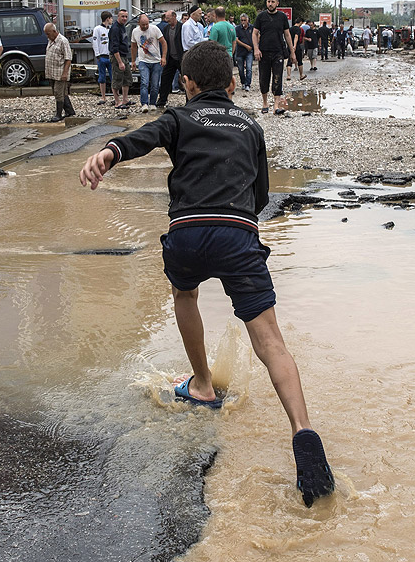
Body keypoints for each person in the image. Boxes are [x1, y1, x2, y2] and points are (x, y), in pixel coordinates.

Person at [78, 41, 336, 508]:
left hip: (189, 234)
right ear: (234, 84)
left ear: (187, 83)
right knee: (271, 340)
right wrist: (240, 223)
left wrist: (110, 153)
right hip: (239, 235)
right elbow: (260, 194)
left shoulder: (180, 118)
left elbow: (145, 136)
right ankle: (303, 429)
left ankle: (201, 384)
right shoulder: (250, 125)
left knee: (185, 295)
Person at [252, 0, 293, 115]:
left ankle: (276, 105)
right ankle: (265, 103)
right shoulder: (261, 17)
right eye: (268, 1)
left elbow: (287, 35)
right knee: (264, 78)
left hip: (278, 52)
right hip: (263, 52)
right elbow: (254, 33)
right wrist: (256, 49)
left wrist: (292, 52)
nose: (270, 4)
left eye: (272, 2)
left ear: (277, 3)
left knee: (278, 78)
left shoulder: (282, 17)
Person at [131, 13, 166, 112]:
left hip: (156, 60)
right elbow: (133, 46)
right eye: (143, 25)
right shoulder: (135, 31)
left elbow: (164, 43)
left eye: (147, 24)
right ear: (139, 23)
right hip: (143, 60)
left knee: (155, 84)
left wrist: (163, 57)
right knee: (144, 82)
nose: (146, 26)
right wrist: (133, 61)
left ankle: (152, 103)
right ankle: (144, 103)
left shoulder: (154, 29)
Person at [44, 22, 74, 123]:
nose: (47, 36)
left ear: (54, 31)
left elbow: (68, 58)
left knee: (58, 92)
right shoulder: (51, 40)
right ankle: (70, 111)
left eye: (48, 33)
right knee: (61, 92)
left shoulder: (63, 41)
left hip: (60, 73)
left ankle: (58, 114)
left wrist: (65, 73)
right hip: (52, 72)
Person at [157, 10, 184, 109]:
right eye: (166, 18)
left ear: (174, 16)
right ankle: (162, 100)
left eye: (168, 18)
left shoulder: (182, 27)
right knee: (165, 78)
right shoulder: (166, 28)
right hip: (170, 58)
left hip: (181, 58)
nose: (167, 20)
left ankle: (189, 100)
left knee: (186, 78)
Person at [109, 9, 133, 109]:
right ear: (118, 17)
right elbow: (114, 47)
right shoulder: (115, 29)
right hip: (117, 56)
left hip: (124, 55)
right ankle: (117, 101)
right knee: (117, 79)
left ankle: (125, 99)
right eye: (122, 16)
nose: (124, 18)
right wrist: (119, 62)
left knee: (127, 78)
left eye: (126, 16)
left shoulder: (123, 27)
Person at [92, 11, 113, 105]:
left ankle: (115, 96)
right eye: (111, 18)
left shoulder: (110, 30)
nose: (112, 20)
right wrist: (97, 54)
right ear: (108, 18)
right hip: (102, 56)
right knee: (102, 77)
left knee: (114, 77)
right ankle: (103, 97)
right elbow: (95, 42)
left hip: (110, 56)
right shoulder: (97, 29)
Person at [233, 12, 254, 91]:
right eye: (242, 20)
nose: (243, 22)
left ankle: (248, 84)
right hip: (240, 51)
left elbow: (257, 35)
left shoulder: (252, 28)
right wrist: (246, 46)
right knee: (240, 69)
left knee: (249, 68)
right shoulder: (237, 29)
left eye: (244, 20)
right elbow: (236, 40)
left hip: (249, 51)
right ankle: (243, 82)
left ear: (248, 20)